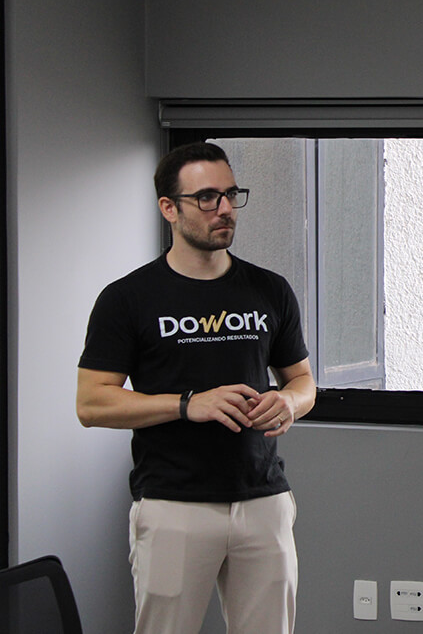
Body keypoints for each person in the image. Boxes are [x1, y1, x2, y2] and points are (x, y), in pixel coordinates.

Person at [76, 142, 316, 634]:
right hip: (173, 504)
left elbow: (303, 381)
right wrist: (187, 405)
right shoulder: (127, 299)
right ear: (169, 208)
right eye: (207, 197)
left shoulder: (270, 289)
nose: (225, 208)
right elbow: (92, 402)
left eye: (231, 194)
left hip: (262, 498)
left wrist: (289, 402)